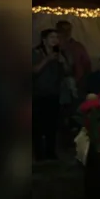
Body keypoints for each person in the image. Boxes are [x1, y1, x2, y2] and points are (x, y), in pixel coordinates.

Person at [32, 28, 71, 161]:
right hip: (37, 94)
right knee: (37, 125)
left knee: (52, 125)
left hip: (54, 94)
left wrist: (63, 62)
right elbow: (34, 70)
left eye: (57, 37)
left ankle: (50, 152)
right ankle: (38, 153)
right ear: (44, 40)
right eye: (52, 37)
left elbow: (67, 72)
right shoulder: (36, 52)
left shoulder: (60, 53)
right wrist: (47, 59)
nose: (55, 40)